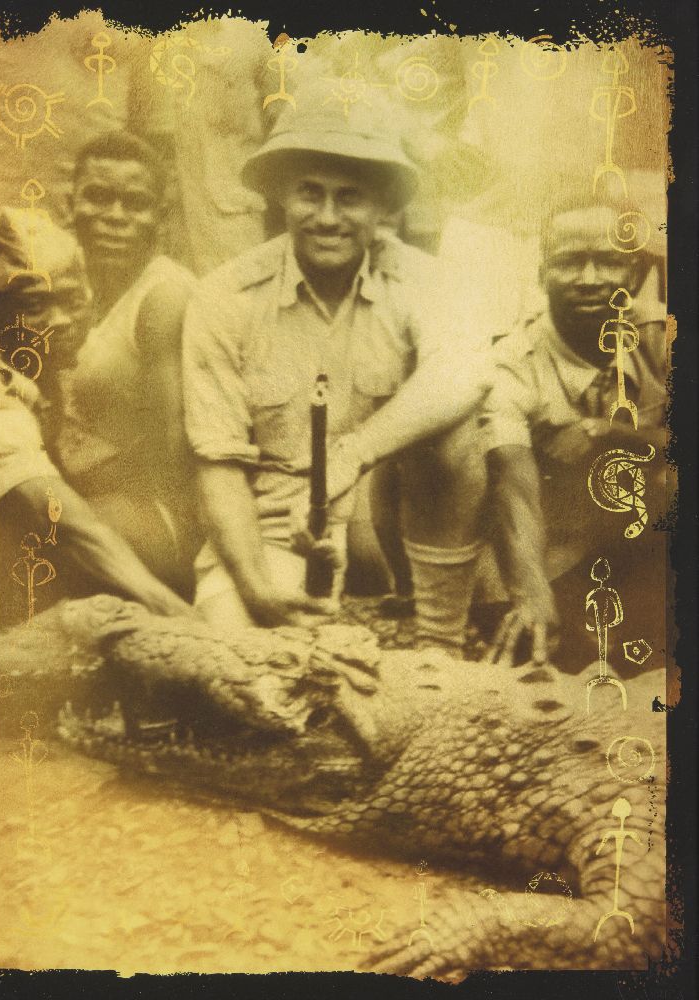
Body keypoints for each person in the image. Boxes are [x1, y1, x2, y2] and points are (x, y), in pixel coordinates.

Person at [181, 103, 489, 652]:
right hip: (276, 530)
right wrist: (255, 590)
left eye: (350, 197)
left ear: (383, 207)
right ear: (280, 196)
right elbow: (218, 467)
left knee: (457, 431)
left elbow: (464, 373)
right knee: (238, 660)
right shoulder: (225, 297)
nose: (327, 217)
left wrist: (350, 456)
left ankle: (440, 640)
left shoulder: (426, 280)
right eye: (309, 193)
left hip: (387, 526)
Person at [481, 192, 668, 670]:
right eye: (568, 263)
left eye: (608, 261)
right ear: (542, 273)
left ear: (637, 273)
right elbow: (512, 481)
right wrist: (531, 591)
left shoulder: (661, 337)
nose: (588, 280)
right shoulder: (513, 362)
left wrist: (611, 432)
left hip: (649, 538)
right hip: (557, 555)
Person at [0, 210, 192, 629]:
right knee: (123, 534)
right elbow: (70, 524)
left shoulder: (36, 366)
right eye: (34, 306)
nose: (61, 321)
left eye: (73, 301)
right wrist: (184, 617)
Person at [52, 131, 200, 599]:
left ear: (160, 218)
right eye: (98, 197)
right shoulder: (58, 281)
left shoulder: (163, 298)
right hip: (76, 499)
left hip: (158, 514)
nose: (115, 217)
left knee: (49, 536)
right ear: (69, 203)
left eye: (135, 204)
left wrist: (77, 492)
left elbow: (176, 449)